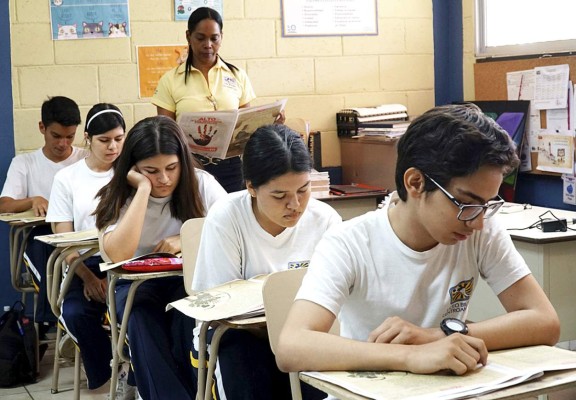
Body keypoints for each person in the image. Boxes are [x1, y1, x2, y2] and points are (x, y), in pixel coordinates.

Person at [276, 104, 560, 378]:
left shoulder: (481, 229)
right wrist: (410, 357)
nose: (478, 222)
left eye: (486, 205)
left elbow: (544, 321)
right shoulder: (349, 243)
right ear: (415, 183)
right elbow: (292, 346)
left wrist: (438, 336)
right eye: (465, 203)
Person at [191, 124, 342, 400]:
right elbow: (221, 308)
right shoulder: (226, 218)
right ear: (251, 187)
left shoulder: (326, 220)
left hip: (306, 335)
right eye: (279, 196)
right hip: (241, 336)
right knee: (246, 368)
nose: (295, 205)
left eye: (304, 190)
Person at [94, 115, 226, 400]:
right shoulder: (119, 195)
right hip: (134, 288)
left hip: (188, 282)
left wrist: (185, 238)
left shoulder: (203, 185)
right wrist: (142, 190)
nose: (164, 179)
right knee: (142, 319)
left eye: (172, 167)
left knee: (187, 319)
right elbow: (119, 253)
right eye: (151, 171)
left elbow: (232, 233)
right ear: (133, 168)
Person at [45, 104, 128, 394]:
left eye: (119, 139)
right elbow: (64, 240)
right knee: (77, 313)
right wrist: (88, 278)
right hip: (84, 267)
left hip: (124, 264)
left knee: (137, 310)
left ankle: (134, 371)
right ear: (88, 139)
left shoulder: (133, 175)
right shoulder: (67, 179)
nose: (113, 146)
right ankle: (108, 379)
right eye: (105, 140)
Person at [152, 6, 269, 193]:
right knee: (196, 220)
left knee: (231, 218)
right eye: (200, 38)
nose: (208, 45)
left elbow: (246, 128)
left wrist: (269, 122)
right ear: (188, 36)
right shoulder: (171, 79)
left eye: (214, 38)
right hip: (190, 167)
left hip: (232, 167)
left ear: (221, 37)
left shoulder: (237, 75)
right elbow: (165, 134)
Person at [0, 96, 86, 331]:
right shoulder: (25, 163)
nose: (63, 143)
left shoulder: (86, 159)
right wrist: (33, 200)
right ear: (42, 128)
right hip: (42, 237)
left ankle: (63, 325)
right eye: (56, 136)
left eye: (70, 136)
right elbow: (4, 205)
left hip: (80, 235)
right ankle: (60, 324)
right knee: (46, 247)